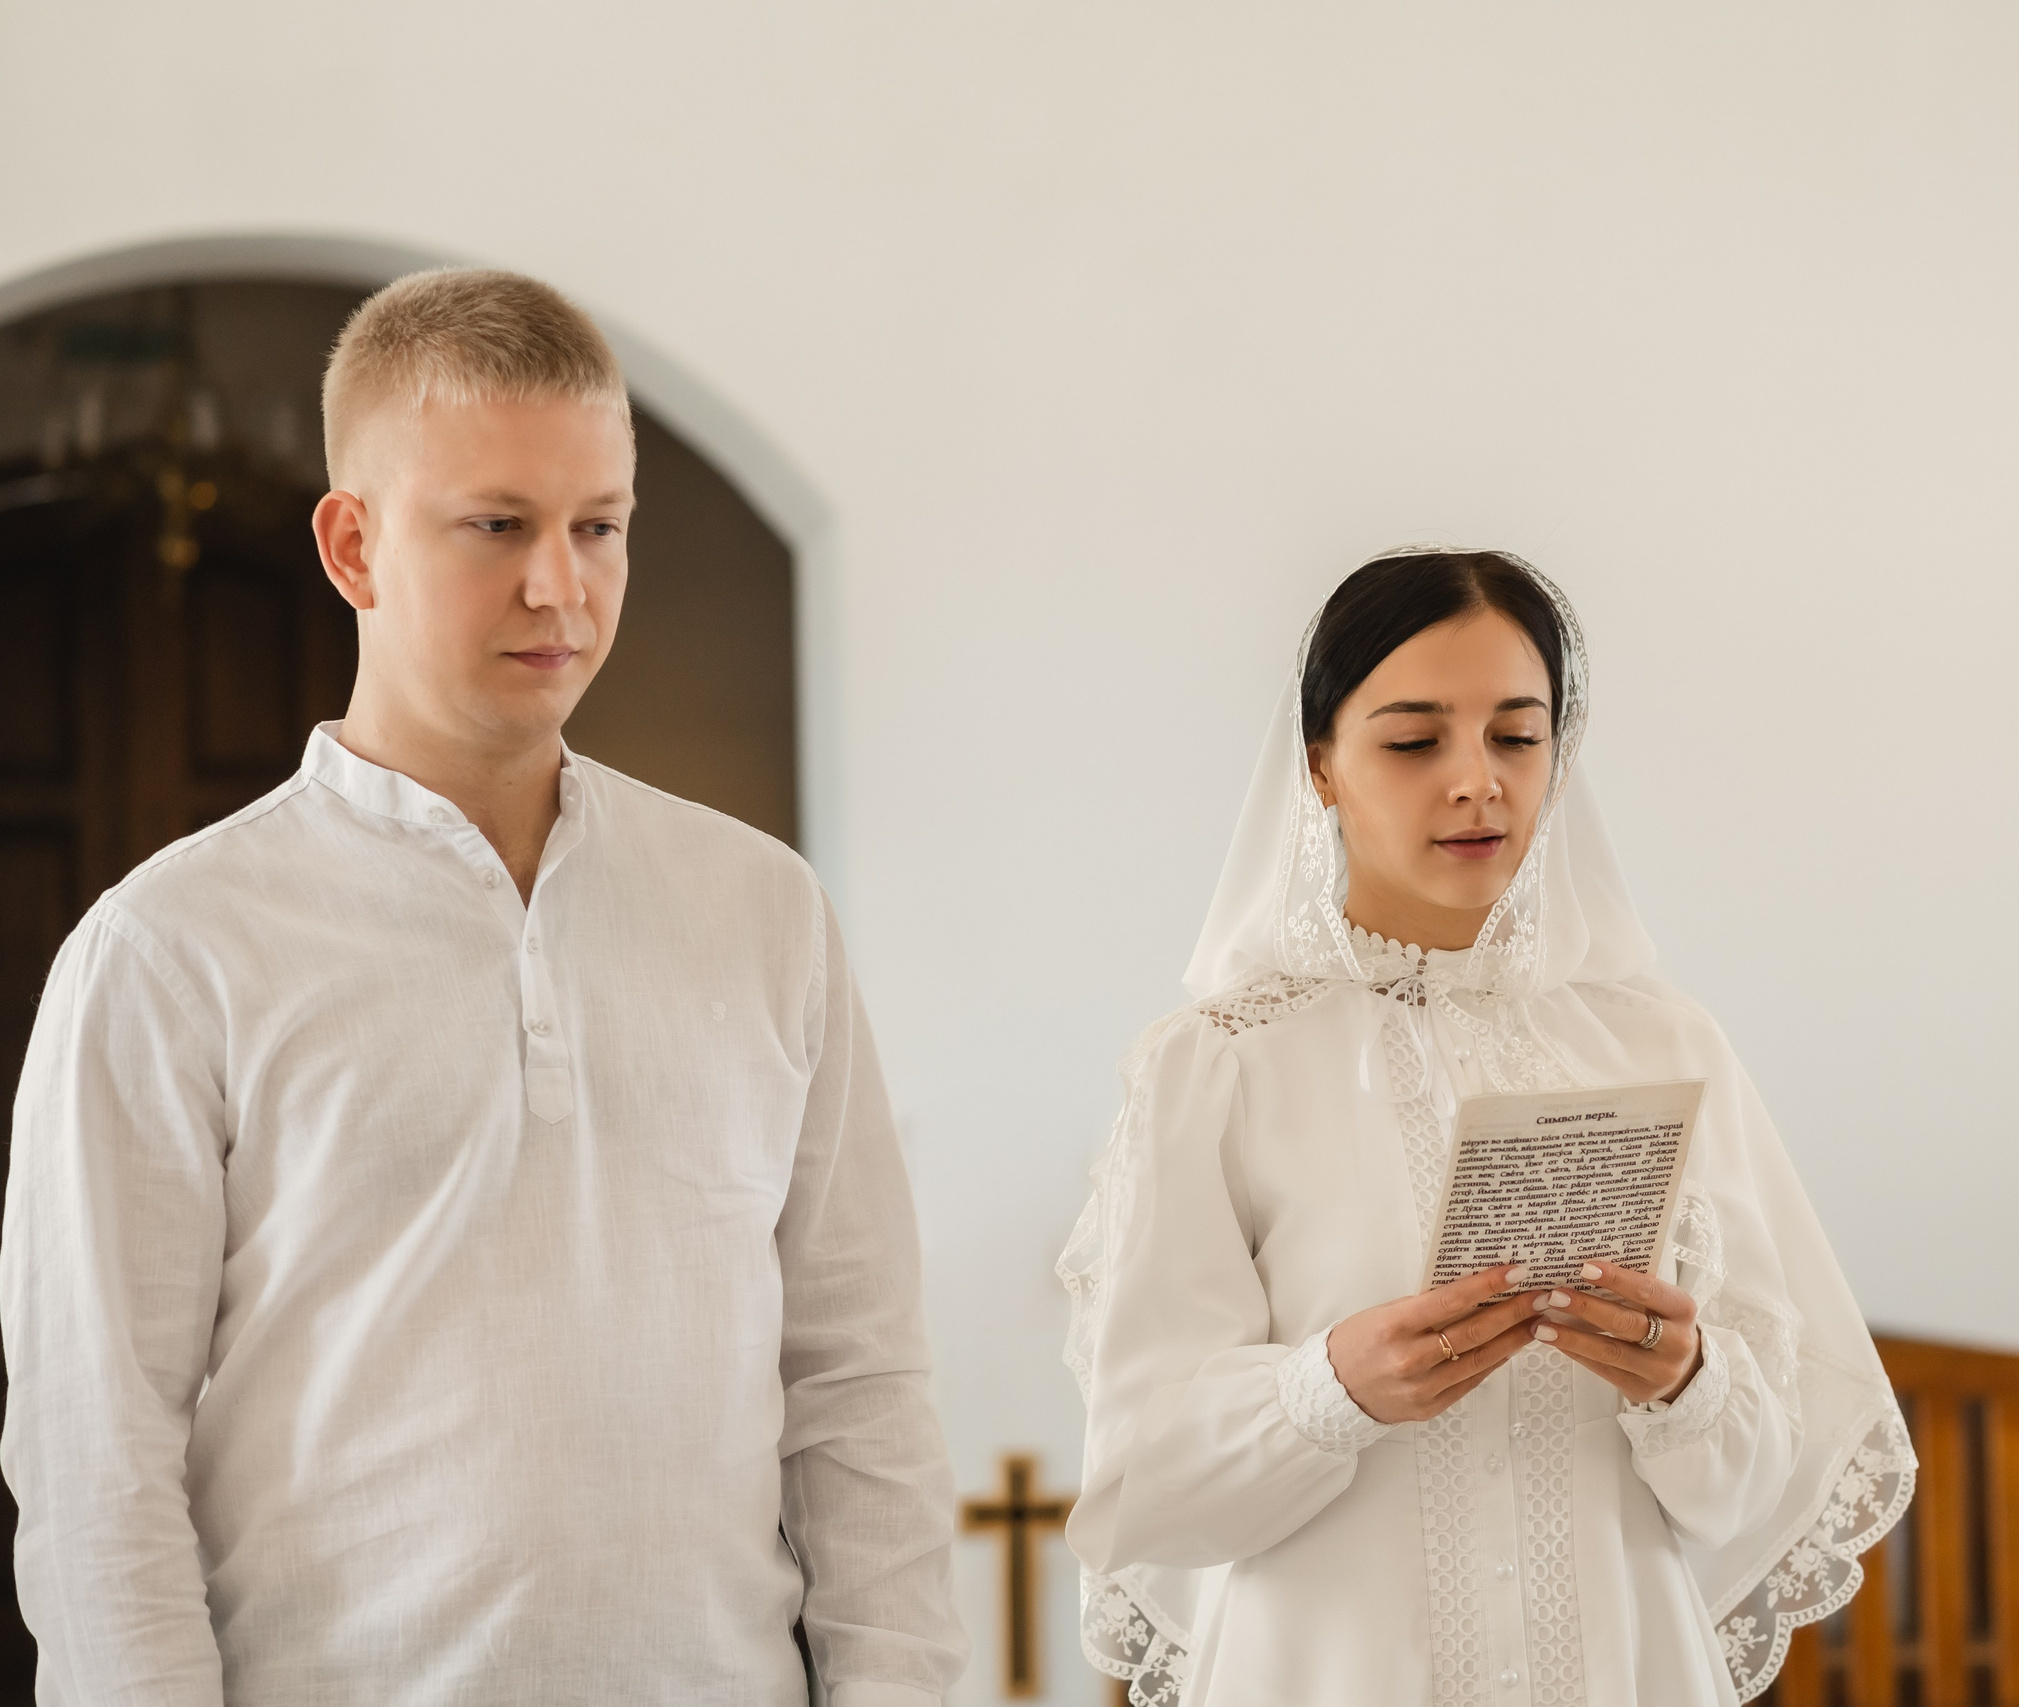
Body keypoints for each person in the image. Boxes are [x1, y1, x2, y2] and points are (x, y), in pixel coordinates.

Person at [0, 270, 965, 1705]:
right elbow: (96, 1459)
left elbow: (859, 1390)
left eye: (599, 526)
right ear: (354, 545)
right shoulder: (165, 952)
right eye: (498, 525)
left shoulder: (766, 913)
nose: (558, 585)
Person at [1059, 550, 1911, 1706]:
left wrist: (1684, 1382)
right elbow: (1143, 1493)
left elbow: (1752, 1488)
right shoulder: (1218, 1067)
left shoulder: (1661, 1045)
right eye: (1415, 742)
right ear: (1319, 763)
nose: (1477, 782)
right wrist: (1331, 1389)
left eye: (1516, 736)